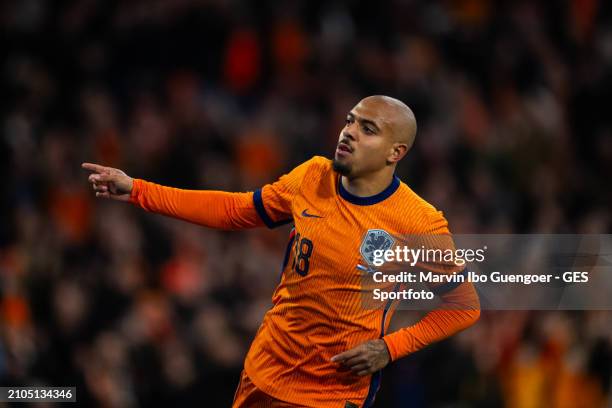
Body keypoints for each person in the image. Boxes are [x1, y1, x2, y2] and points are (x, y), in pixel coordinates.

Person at [83, 95, 480, 408]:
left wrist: (389, 348)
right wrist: (137, 189)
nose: (349, 132)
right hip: (264, 369)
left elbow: (465, 305)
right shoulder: (312, 176)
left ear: (396, 153)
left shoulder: (417, 222)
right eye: (349, 121)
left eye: (368, 129)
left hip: (327, 391)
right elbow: (235, 210)